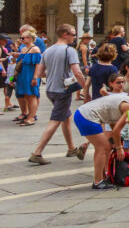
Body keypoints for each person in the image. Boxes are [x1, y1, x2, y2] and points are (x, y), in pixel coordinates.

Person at [73, 78, 129, 190]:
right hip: (87, 117)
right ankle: (98, 181)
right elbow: (116, 130)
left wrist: (118, 140)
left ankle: (102, 177)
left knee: (104, 147)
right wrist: (119, 148)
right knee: (103, 148)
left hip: (83, 114)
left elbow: (113, 122)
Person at [29, 24, 87, 165]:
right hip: (63, 90)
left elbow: (41, 73)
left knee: (66, 117)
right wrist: (85, 88)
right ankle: (37, 152)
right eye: (73, 34)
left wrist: (54, 73)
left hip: (50, 90)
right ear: (65, 34)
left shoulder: (48, 51)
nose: (75, 37)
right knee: (55, 120)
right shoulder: (70, 50)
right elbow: (78, 72)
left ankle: (71, 148)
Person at [13, 30, 42, 126]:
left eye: (23, 38)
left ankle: (31, 118)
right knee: (26, 96)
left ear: (30, 38)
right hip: (23, 75)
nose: (21, 39)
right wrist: (14, 76)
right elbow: (19, 64)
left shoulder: (35, 49)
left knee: (32, 96)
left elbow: (38, 64)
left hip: (31, 75)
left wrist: (35, 77)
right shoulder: (23, 49)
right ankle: (29, 116)